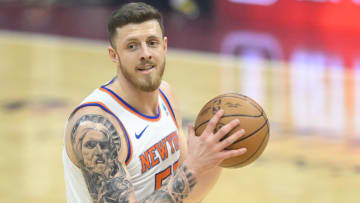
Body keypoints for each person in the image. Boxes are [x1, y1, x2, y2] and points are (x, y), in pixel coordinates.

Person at [63, 2, 247, 202]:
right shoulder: (96, 127)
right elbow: (189, 172)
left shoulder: (166, 94)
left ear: (164, 46)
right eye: (132, 46)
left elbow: (186, 193)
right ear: (113, 55)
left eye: (152, 42)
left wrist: (213, 157)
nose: (145, 54)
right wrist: (194, 167)